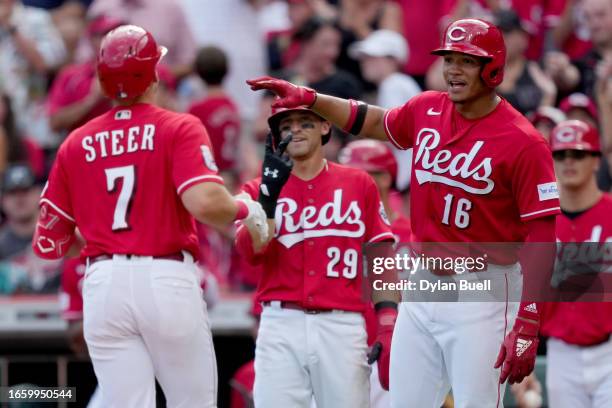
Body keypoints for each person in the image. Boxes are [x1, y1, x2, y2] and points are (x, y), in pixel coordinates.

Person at [247, 17, 560, 407]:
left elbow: (543, 237)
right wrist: (311, 98)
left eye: (466, 60)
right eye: (448, 59)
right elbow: (372, 119)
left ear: (492, 67)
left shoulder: (524, 141)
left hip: (484, 286)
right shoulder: (427, 108)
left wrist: (530, 319)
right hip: (425, 281)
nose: (453, 70)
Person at [31, 25, 271, 408]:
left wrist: (102, 238)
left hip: (103, 283)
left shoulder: (75, 141)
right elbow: (206, 203)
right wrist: (245, 206)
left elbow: (51, 240)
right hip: (164, 275)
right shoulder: (178, 125)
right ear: (152, 76)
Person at [234, 104, 397, 407]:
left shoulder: (359, 183)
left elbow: (381, 256)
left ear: (325, 127)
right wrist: (267, 199)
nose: (294, 129)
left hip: (342, 325)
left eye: (305, 122)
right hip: (280, 322)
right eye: (286, 125)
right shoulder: (258, 188)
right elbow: (251, 252)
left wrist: (387, 322)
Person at [540, 120, 612, 408]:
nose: (569, 161)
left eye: (578, 154)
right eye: (560, 154)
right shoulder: (537, 223)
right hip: (560, 354)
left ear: (596, 160)